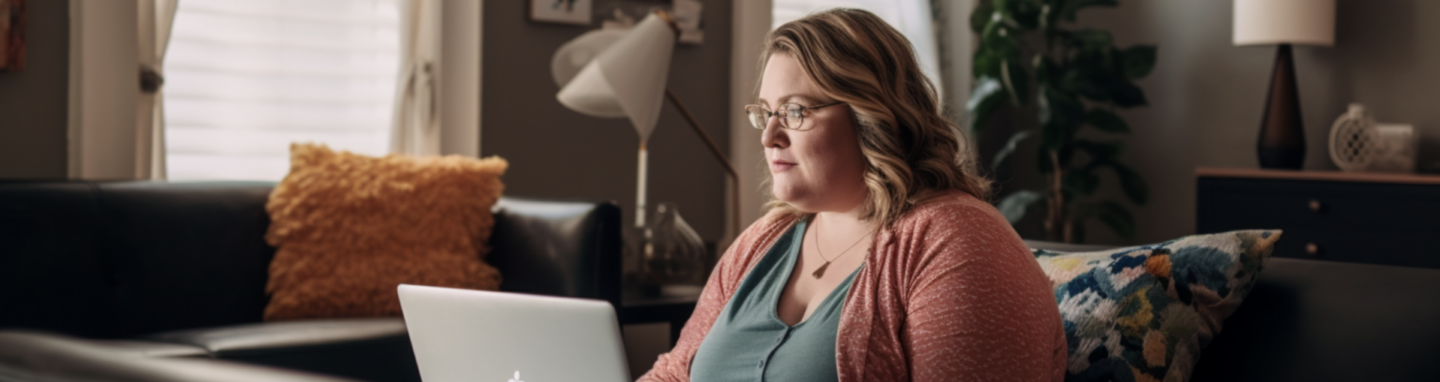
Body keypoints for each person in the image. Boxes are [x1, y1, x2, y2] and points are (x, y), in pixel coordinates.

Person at [638, 8, 1066, 382]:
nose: (769, 136)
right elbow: (674, 373)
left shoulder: (956, 240)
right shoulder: (763, 241)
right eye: (766, 112)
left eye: (794, 111)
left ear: (870, 115)